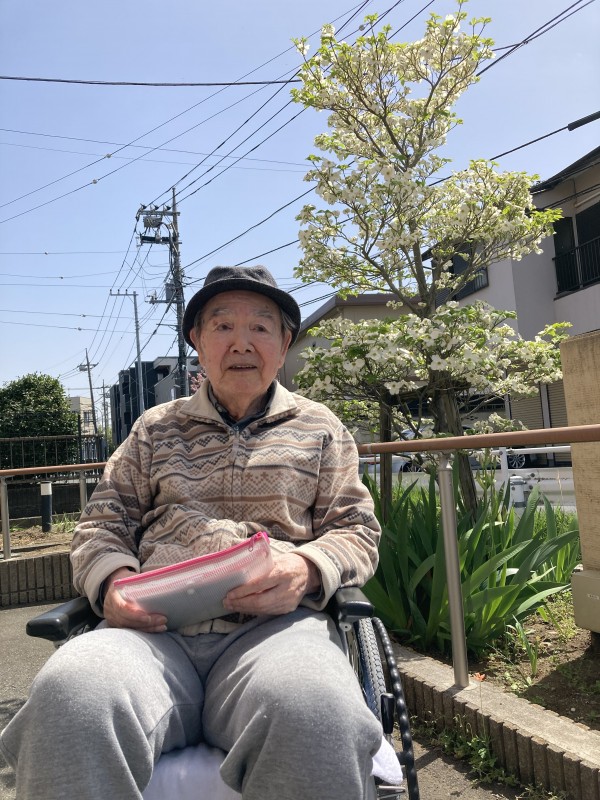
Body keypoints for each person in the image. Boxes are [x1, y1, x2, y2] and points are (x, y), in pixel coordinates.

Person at [0, 265, 383, 800]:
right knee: (72, 693)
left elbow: (355, 528)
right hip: (151, 636)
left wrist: (305, 568)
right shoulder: (154, 429)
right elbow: (102, 524)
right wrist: (113, 583)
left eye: (260, 327)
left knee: (315, 706)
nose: (241, 343)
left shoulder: (321, 428)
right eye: (222, 326)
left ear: (284, 344)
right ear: (197, 343)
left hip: (275, 633)